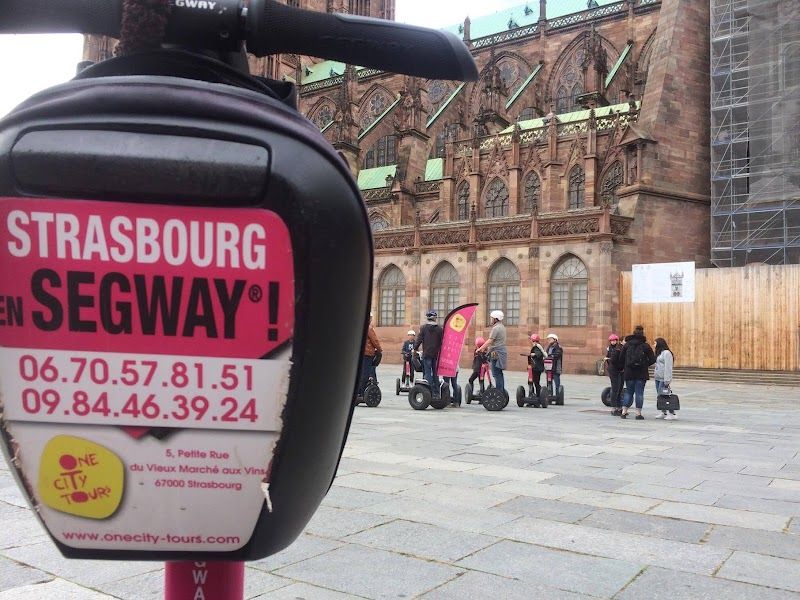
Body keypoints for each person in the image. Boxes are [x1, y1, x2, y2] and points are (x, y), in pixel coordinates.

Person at [618, 325, 656, 420]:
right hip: (641, 373)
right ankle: (638, 414)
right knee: (639, 393)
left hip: (629, 372)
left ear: (633, 333)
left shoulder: (627, 345)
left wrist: (625, 366)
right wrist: (644, 364)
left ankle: (624, 412)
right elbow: (652, 359)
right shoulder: (645, 346)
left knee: (628, 392)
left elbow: (621, 358)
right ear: (642, 334)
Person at [415, 310, 443, 399]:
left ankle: (429, 392)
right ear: (434, 318)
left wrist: (414, 349)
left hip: (426, 354)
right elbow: (442, 342)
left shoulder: (423, 328)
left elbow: (419, 339)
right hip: (436, 355)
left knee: (427, 373)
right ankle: (437, 393)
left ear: (427, 318)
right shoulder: (439, 329)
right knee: (435, 374)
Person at [477, 310, 507, 393]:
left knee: (496, 373)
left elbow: (490, 340)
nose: (491, 320)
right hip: (501, 352)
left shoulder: (496, 328)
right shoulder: (502, 327)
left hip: (496, 353)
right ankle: (501, 391)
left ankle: (499, 392)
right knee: (499, 373)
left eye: (492, 318)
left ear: (495, 319)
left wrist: (480, 348)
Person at [358, 313, 382, 398]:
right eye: (371, 318)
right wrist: (379, 349)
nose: (371, 319)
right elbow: (374, 340)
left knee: (360, 372)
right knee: (366, 373)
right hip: (367, 353)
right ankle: (362, 391)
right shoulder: (369, 328)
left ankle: (358, 391)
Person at [654, 337, 676, 420]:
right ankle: (663, 411)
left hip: (663, 378)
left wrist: (667, 379)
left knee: (665, 395)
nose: (654, 345)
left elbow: (668, 367)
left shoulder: (667, 353)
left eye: (655, 343)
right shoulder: (660, 353)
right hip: (658, 377)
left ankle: (672, 413)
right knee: (660, 396)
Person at [605, 334, 624, 416]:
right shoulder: (611, 349)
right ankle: (614, 407)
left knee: (620, 388)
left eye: (614, 340)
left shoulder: (619, 348)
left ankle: (619, 407)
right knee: (615, 388)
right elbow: (609, 359)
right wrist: (609, 359)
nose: (613, 342)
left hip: (620, 370)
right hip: (613, 370)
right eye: (612, 341)